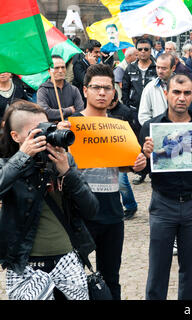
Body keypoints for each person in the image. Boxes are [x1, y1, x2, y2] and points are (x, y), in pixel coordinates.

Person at [0, 100, 98, 300]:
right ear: (15, 136)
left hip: (67, 261)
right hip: (26, 266)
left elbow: (92, 210)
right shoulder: (7, 165)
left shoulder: (62, 160)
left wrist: (67, 173)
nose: (44, 137)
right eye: (35, 133)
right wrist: (22, 157)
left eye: (46, 129)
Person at [140, 74, 192, 300]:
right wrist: (144, 157)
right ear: (166, 94)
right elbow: (140, 169)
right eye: (176, 92)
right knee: (158, 268)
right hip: (162, 203)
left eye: (187, 93)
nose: (181, 98)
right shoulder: (151, 126)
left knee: (191, 269)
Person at [72, 64, 147, 300]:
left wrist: (139, 163)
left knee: (111, 278)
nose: (102, 92)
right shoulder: (71, 124)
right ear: (85, 90)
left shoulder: (119, 125)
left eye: (107, 88)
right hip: (78, 212)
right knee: (73, 279)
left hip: (113, 211)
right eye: (96, 88)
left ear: (114, 92)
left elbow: (126, 163)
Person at [122, 38, 157, 185]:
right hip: (135, 111)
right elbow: (125, 88)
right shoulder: (130, 68)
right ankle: (141, 172)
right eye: (140, 49)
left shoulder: (156, 67)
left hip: (153, 112)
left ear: (151, 50)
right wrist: (127, 107)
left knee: (153, 142)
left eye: (146, 49)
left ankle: (155, 172)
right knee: (138, 143)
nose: (143, 52)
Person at [108, 91, 139, 220]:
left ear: (116, 100)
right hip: (106, 152)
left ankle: (130, 206)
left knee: (122, 182)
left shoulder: (126, 112)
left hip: (121, 151)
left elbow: (133, 132)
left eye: (111, 104)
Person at [37, 55, 84, 122]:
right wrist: (69, 110)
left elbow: (80, 112)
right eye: (56, 68)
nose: (60, 71)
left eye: (63, 67)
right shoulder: (43, 90)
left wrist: (66, 121)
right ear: (49, 71)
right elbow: (45, 112)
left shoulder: (74, 89)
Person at [138, 53, 175, 125]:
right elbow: (143, 115)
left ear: (173, 68)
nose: (160, 71)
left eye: (164, 68)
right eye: (158, 67)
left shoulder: (183, 86)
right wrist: (154, 130)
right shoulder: (150, 87)